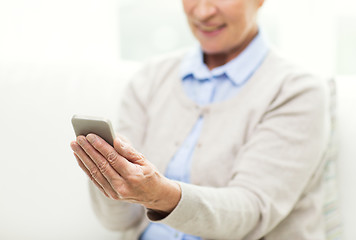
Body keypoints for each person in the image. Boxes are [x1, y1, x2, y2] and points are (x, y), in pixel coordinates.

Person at [70, 0, 335, 239]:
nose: (203, 11)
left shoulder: (297, 90)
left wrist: (161, 196)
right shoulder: (150, 79)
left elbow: (250, 212)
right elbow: (116, 221)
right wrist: (107, 175)